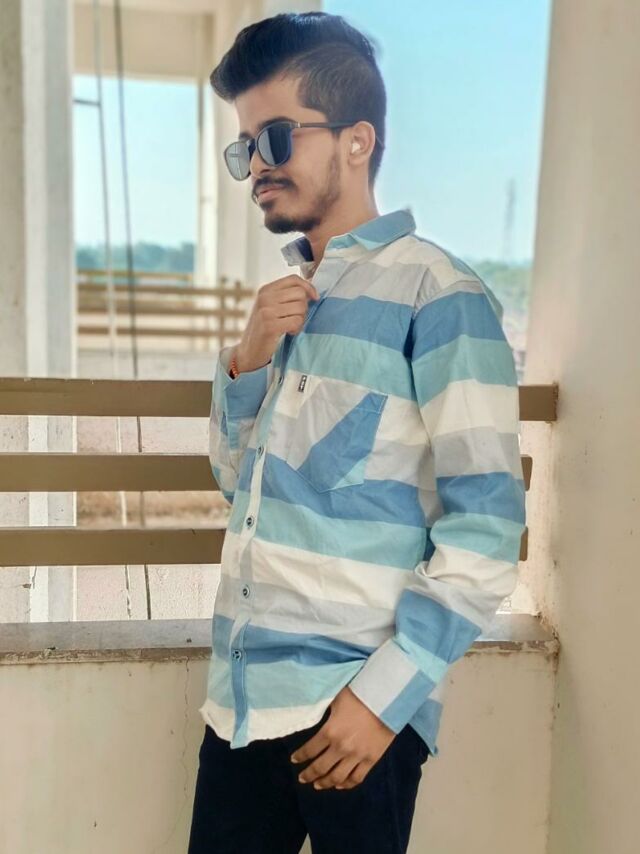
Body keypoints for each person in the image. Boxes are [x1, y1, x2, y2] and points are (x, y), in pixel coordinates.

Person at [188, 11, 526, 854]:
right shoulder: (287, 305)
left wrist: (383, 702)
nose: (256, 167)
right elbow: (237, 488)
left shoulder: (438, 296)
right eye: (245, 148)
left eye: (275, 138)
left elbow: (487, 526)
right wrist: (246, 359)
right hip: (239, 704)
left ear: (356, 140)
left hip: (354, 717)